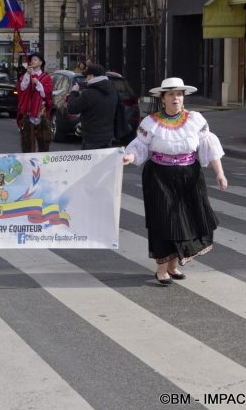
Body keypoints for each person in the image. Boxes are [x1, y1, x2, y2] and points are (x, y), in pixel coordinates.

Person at [121, 77, 228, 285]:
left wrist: (220, 173)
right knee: (164, 221)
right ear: (162, 98)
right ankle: (162, 268)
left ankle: (173, 265)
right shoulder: (150, 122)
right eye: (170, 94)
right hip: (159, 176)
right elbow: (140, 146)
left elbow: (209, 146)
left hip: (189, 175)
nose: (175, 98)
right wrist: (130, 157)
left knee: (187, 220)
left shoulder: (196, 120)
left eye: (179, 94)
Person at [66, 64, 117, 150]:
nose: (86, 79)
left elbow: (72, 108)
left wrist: (74, 92)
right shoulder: (112, 90)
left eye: (87, 76)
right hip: (108, 136)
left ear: (92, 76)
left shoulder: (88, 94)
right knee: (104, 163)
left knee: (90, 163)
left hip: (91, 138)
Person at [16, 52, 53, 153]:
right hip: (28, 114)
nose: (33, 61)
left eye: (35, 59)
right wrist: (28, 74)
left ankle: (42, 165)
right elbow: (22, 88)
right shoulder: (26, 75)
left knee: (43, 144)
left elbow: (46, 95)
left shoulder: (46, 77)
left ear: (41, 62)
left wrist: (38, 83)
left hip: (41, 114)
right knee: (27, 144)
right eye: (32, 59)